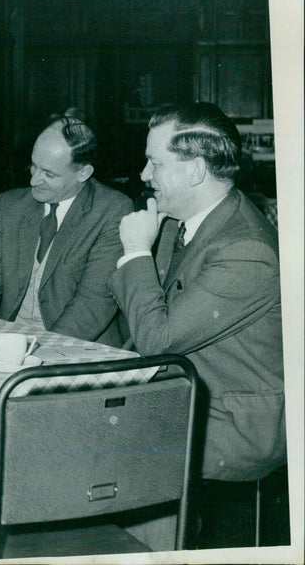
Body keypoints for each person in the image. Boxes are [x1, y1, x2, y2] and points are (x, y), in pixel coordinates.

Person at [108, 102, 286, 547]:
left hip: (233, 424)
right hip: (185, 396)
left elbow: (158, 339)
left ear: (195, 171)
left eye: (156, 162)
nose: (145, 175)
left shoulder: (246, 248)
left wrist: (134, 250)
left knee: (98, 444)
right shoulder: (186, 223)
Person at [0, 115, 134, 346]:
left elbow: (93, 303)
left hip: (76, 345)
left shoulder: (112, 210)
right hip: (9, 341)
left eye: (48, 174)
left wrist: (37, 350)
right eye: (33, 166)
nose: (33, 180)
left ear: (83, 173)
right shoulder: (9, 205)